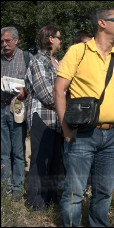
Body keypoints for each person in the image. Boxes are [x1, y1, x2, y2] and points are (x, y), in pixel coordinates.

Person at [54, 7, 114, 227]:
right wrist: (66, 129)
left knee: (104, 192)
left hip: (112, 137)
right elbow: (59, 89)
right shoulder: (78, 51)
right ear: (102, 23)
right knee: (75, 192)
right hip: (82, 133)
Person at [24, 25, 64, 210]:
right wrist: (65, 101)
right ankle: (36, 204)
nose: (60, 41)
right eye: (59, 37)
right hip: (42, 117)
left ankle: (51, 200)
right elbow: (47, 94)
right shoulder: (38, 60)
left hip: (58, 119)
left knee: (55, 162)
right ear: (50, 38)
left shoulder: (56, 61)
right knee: (41, 162)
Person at [1, 26, 32, 201]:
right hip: (1, 108)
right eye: (2, 41)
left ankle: (17, 189)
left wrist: (25, 91)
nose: (4, 44)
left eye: (7, 41)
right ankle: (5, 187)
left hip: (18, 109)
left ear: (16, 40)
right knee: (3, 152)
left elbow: (33, 83)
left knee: (18, 152)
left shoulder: (26, 57)